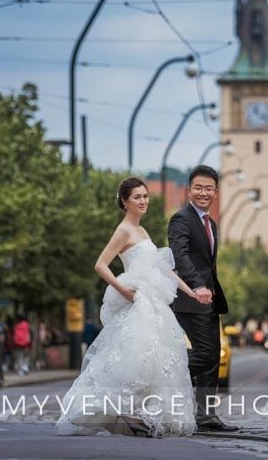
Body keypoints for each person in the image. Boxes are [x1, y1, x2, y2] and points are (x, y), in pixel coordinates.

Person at [56, 177, 204, 437]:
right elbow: (101, 264)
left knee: (156, 359)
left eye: (145, 196)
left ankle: (143, 415)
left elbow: (162, 268)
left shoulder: (144, 232)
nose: (143, 201)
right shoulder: (123, 230)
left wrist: (192, 291)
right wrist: (122, 289)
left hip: (155, 302)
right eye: (137, 197)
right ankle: (128, 414)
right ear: (125, 201)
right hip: (138, 300)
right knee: (135, 356)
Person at [168, 165, 239, 432]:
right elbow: (181, 256)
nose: (203, 192)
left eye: (208, 188)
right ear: (189, 190)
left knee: (210, 360)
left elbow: (207, 263)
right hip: (189, 299)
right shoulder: (181, 219)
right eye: (198, 187)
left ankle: (206, 416)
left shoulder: (210, 223)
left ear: (216, 192)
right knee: (207, 354)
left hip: (209, 301)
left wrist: (208, 292)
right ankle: (163, 375)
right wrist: (197, 286)